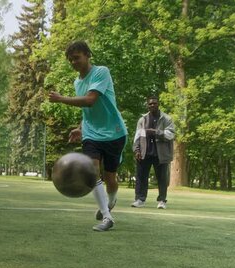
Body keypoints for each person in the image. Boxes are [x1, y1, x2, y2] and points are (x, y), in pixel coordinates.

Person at [48, 41, 128, 231]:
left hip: (114, 133)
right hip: (92, 133)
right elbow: (87, 111)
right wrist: (80, 128)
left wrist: (61, 99)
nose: (73, 62)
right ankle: (107, 217)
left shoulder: (101, 72)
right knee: (92, 172)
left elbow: (91, 100)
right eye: (70, 60)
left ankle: (111, 199)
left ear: (87, 55)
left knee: (111, 179)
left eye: (76, 58)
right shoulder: (78, 82)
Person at [132, 96, 175, 209]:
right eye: (150, 104)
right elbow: (137, 136)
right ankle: (140, 199)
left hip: (160, 154)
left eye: (154, 103)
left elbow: (171, 134)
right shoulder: (143, 119)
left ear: (158, 104)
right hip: (144, 152)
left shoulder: (166, 119)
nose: (152, 105)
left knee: (162, 178)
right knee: (141, 177)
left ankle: (162, 201)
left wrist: (156, 132)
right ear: (147, 105)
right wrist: (136, 150)